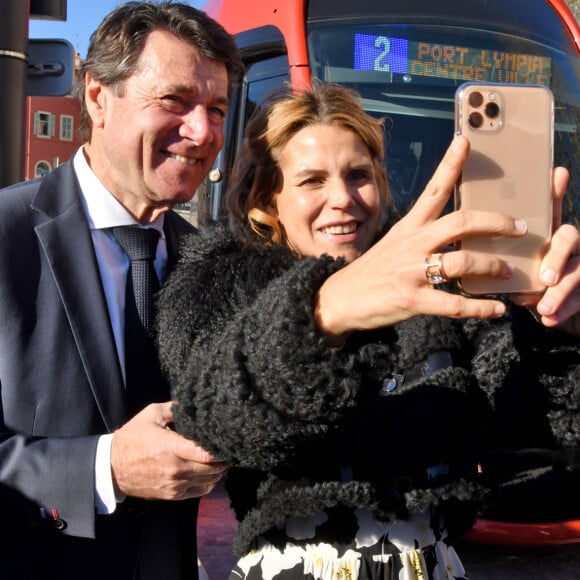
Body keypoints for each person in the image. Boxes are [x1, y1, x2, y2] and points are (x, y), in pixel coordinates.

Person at [156, 83, 580, 579]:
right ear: (267, 200)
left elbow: (530, 424)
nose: (342, 198)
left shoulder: (440, 290)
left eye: (359, 175)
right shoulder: (220, 282)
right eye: (312, 180)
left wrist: (557, 330)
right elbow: (210, 419)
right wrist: (323, 312)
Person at [0, 2, 243, 579]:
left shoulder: (208, 262)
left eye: (216, 109)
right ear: (96, 96)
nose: (202, 131)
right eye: (175, 101)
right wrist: (102, 468)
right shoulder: (6, 238)